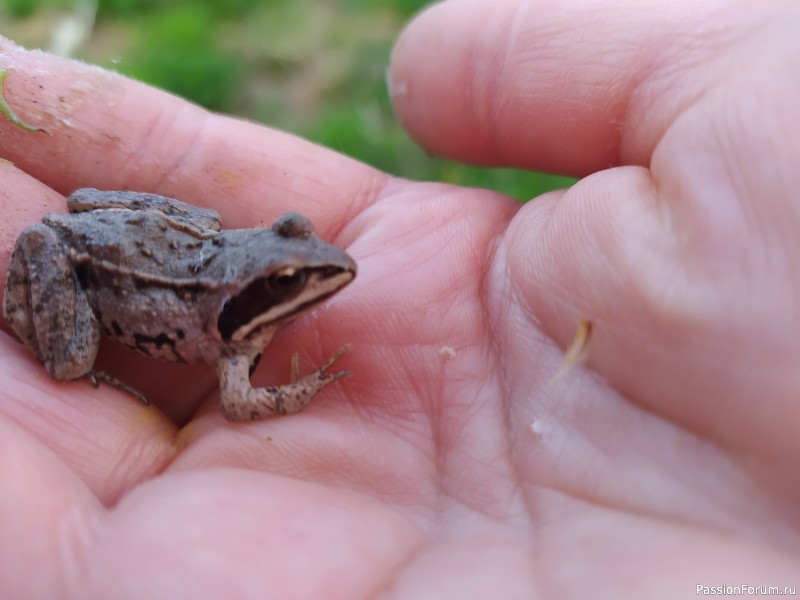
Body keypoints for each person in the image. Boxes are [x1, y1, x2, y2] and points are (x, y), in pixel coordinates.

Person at [0, 1, 797, 596]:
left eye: (296, 249)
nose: (318, 270)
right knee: (72, 366)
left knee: (204, 220)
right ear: (256, 298)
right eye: (286, 282)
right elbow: (239, 407)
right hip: (88, 263)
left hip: (149, 244)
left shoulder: (251, 296)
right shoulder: (233, 344)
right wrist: (309, 388)